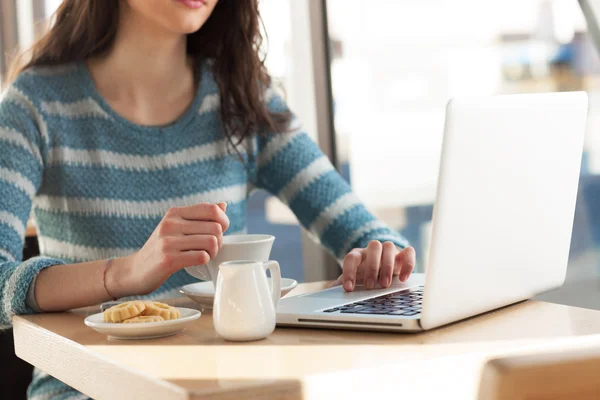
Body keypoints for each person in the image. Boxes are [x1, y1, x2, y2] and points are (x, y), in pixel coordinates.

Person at [0, 0, 415, 398]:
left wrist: (381, 256)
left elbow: (365, 232)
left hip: (229, 388)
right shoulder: (34, 106)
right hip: (88, 391)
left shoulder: (241, 95)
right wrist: (125, 274)